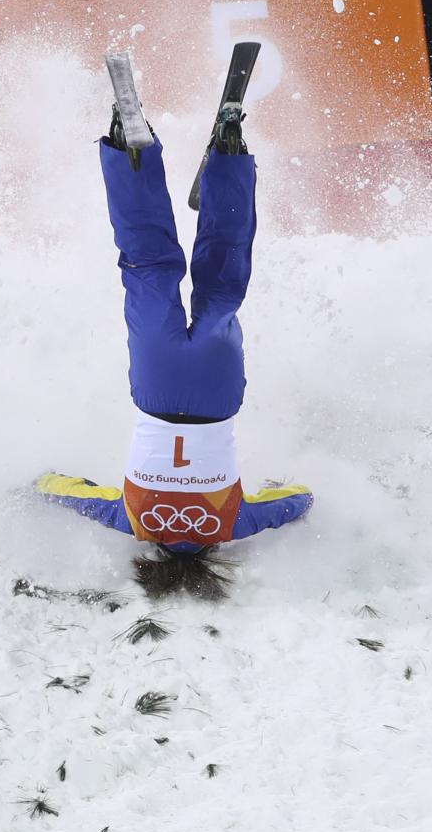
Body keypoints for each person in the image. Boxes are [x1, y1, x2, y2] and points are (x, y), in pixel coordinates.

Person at [36, 96, 313, 599]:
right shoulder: (133, 520)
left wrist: (283, 493)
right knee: (148, 265)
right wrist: (40, 483)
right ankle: (128, 152)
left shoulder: (233, 524)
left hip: (216, 391)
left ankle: (231, 156)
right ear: (157, 560)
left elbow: (297, 500)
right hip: (158, 385)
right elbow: (71, 493)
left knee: (223, 281)